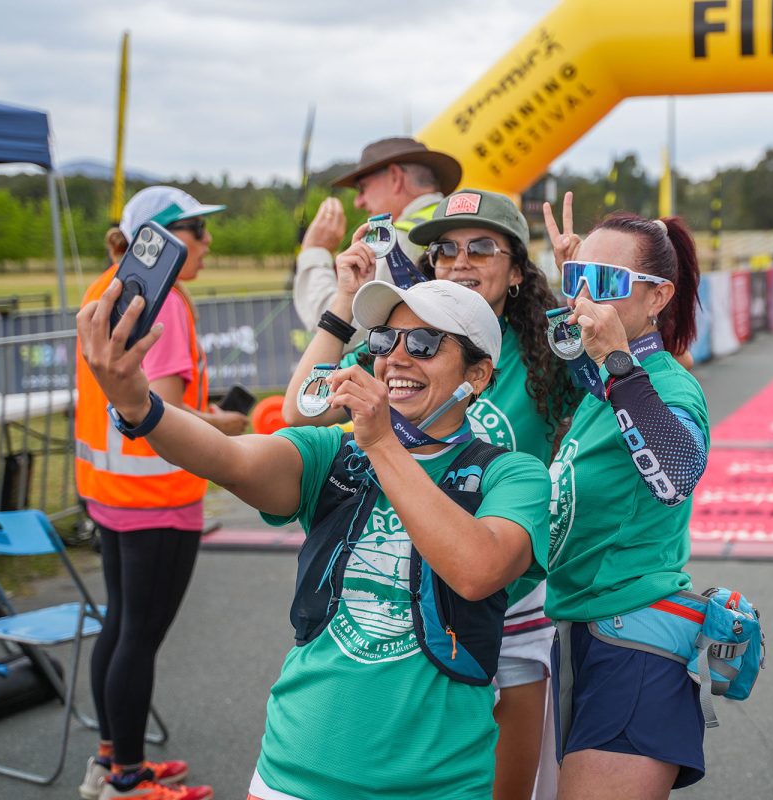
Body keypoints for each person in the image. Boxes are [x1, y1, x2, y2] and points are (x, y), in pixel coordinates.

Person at [79, 274, 552, 800]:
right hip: (292, 774)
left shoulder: (514, 475)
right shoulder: (333, 453)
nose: (396, 358)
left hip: (437, 785)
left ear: (479, 374)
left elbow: (476, 569)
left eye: (423, 343)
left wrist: (381, 442)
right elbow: (227, 459)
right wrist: (138, 406)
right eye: (382, 341)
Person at [283, 189, 581, 799]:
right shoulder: (402, 343)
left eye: (481, 247)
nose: (458, 261)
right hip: (413, 609)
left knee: (507, 790)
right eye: (443, 249)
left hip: (515, 606)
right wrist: (343, 298)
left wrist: (589, 295)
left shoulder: (549, 355)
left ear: (519, 271)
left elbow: (653, 372)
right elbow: (299, 411)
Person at [75, 187, 248, 800]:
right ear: (164, 240)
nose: (206, 241)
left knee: (119, 626)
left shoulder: (108, 286)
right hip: (158, 495)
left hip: (110, 493)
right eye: (196, 230)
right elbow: (170, 412)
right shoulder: (164, 300)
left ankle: (111, 760)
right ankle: (128, 779)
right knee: (138, 637)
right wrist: (232, 425)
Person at [541, 193, 711, 798]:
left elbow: (675, 476)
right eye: (576, 278)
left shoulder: (663, 384)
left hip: (635, 641)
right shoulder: (601, 379)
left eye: (605, 280)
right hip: (581, 633)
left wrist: (616, 359)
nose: (585, 294)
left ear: (657, 297)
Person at [293, 137, 462, 342]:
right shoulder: (460, 222)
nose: (358, 202)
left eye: (362, 188)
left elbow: (350, 331)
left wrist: (315, 251)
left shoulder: (397, 241)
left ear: (396, 177)